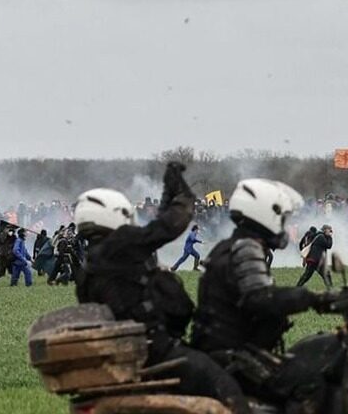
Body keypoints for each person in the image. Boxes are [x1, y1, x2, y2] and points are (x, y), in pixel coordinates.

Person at [75, 163, 247, 412]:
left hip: (128, 353)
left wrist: (168, 194)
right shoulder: (120, 245)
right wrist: (180, 192)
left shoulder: (93, 262)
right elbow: (168, 226)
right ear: (114, 214)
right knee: (226, 387)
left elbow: (154, 231)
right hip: (156, 348)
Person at [191, 178, 348, 411]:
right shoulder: (246, 248)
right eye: (282, 218)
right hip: (232, 354)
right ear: (265, 214)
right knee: (310, 382)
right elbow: (261, 298)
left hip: (228, 349)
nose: (283, 225)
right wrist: (317, 299)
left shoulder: (233, 245)